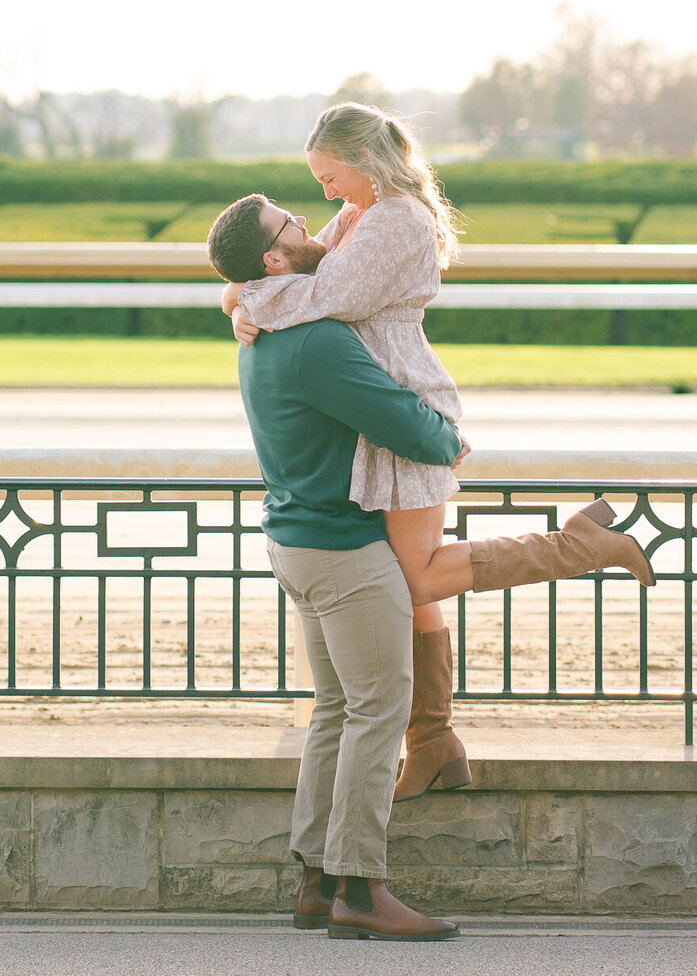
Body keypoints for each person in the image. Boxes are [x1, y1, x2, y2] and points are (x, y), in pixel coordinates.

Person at [208, 106, 655, 802]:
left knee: (411, 582)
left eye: (330, 176)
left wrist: (244, 296)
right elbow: (294, 270)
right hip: (373, 406)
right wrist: (242, 290)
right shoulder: (361, 211)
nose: (323, 194)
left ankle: (583, 546)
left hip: (403, 405)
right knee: (405, 587)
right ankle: (435, 741)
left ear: (362, 160)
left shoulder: (394, 219)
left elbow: (322, 294)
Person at [226, 296, 466, 939]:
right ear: (273, 263)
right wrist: (450, 439)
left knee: (335, 708)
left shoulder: (261, 334)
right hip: (344, 554)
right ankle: (360, 892)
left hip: (296, 543)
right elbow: (401, 421)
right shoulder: (317, 340)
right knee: (379, 709)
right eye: (287, 225)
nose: (306, 220)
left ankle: (317, 883)